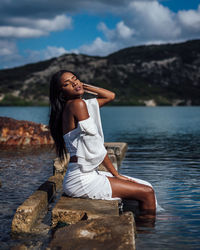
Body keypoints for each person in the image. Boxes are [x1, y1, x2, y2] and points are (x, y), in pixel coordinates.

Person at [49, 70, 157, 217]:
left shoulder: (77, 105)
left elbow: (110, 96)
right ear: (61, 92)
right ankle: (150, 230)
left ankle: (143, 222)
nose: (74, 82)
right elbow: (95, 147)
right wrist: (116, 174)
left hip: (86, 174)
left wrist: (81, 86)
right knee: (147, 192)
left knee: (147, 186)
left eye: (75, 78)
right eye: (68, 84)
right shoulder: (77, 105)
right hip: (82, 179)